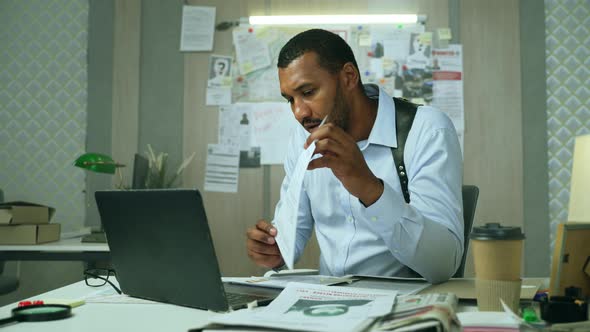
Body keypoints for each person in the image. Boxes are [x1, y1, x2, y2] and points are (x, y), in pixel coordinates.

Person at [245, 29, 463, 283]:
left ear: (348, 77)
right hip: (328, 306)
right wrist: (272, 249)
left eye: (307, 92)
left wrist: (370, 189)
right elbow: (292, 231)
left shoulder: (426, 129)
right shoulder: (303, 137)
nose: (299, 112)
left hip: (403, 306)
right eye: (290, 100)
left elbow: (443, 264)